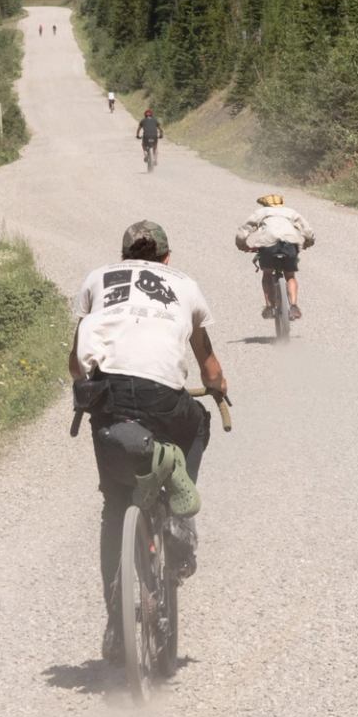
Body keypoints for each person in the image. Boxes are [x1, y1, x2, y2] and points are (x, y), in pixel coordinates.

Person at [68, 220, 229, 664]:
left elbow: (76, 363)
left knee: (114, 505)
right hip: (162, 398)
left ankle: (115, 627)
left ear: (123, 256)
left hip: (108, 396)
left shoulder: (98, 279)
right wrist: (218, 388)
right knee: (197, 423)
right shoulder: (185, 285)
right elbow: (209, 365)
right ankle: (179, 513)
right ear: (167, 257)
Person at [236, 193, 315, 320]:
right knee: (290, 276)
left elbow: (244, 230)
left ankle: (269, 307)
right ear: (281, 203)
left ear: (265, 204)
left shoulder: (261, 212)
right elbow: (308, 231)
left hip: (268, 244)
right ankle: (294, 306)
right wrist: (307, 243)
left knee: (267, 274)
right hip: (290, 244)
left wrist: (242, 245)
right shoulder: (291, 212)